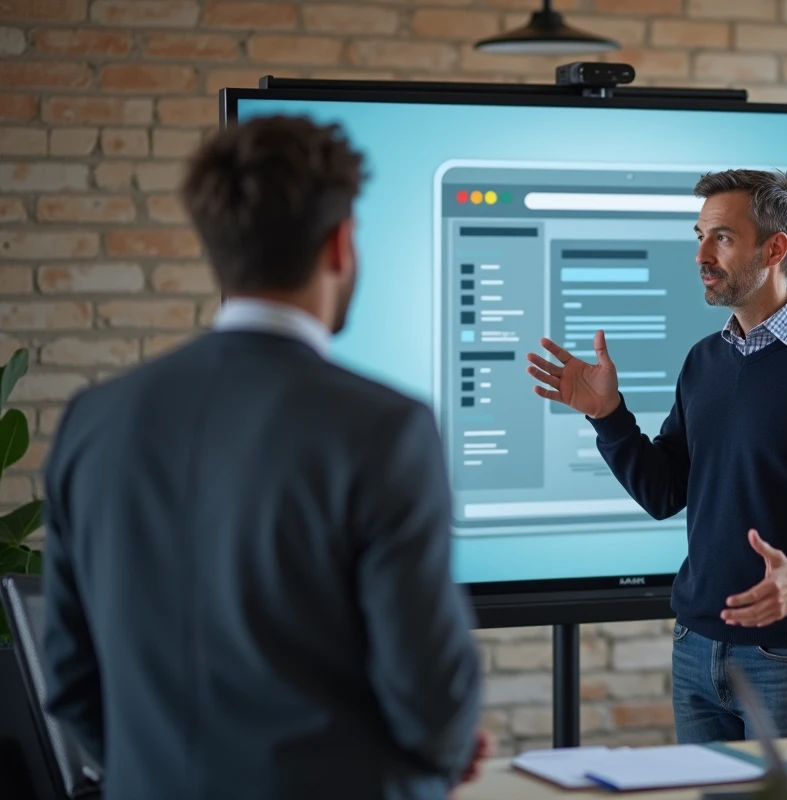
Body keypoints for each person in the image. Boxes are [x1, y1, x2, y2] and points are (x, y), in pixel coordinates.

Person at [39, 115, 488, 800]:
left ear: (217, 246)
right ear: (341, 244)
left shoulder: (93, 420)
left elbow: (70, 682)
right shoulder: (385, 428)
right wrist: (435, 758)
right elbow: (430, 701)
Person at [526, 169, 787, 741]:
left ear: (775, 247)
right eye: (699, 235)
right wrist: (608, 416)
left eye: (721, 237)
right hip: (696, 648)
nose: (701, 254)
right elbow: (665, 492)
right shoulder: (703, 362)